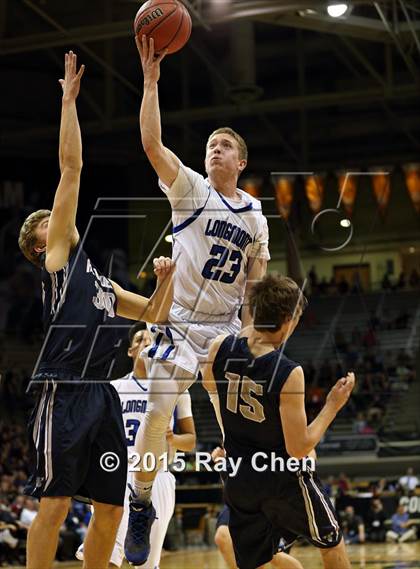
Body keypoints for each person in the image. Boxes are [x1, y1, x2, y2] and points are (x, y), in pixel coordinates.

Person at [17, 52, 175, 569]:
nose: (56, 220)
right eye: (47, 222)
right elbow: (71, 166)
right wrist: (68, 101)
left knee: (111, 504)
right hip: (62, 387)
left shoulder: (98, 280)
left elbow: (152, 313)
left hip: (101, 392)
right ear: (41, 248)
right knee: (57, 501)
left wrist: (169, 281)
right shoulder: (58, 261)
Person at [124, 35, 270, 565]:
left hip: (227, 326)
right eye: (210, 143)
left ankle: (252, 510)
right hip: (181, 321)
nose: (214, 149)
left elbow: (257, 274)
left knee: (240, 423)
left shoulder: (254, 214)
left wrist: (254, 332)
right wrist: (152, 81)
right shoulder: (190, 189)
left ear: (241, 160)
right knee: (157, 414)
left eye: (224, 145)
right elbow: (151, 143)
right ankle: (141, 503)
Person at [203, 274, 354, 569]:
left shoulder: (219, 347)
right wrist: (332, 406)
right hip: (280, 476)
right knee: (331, 543)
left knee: (257, 561)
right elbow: (298, 448)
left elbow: (211, 391)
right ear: (287, 320)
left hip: (239, 477)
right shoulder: (287, 371)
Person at [76, 322, 196, 568]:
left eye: (152, 338)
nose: (147, 342)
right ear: (131, 350)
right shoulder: (114, 389)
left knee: (146, 563)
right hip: (118, 475)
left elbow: (191, 442)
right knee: (105, 555)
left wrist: (172, 438)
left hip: (159, 476)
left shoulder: (178, 390)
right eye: (141, 339)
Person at [212, 447, 304, 569]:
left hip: (273, 497)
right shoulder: (232, 439)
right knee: (223, 536)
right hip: (240, 497)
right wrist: (221, 463)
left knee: (271, 554)